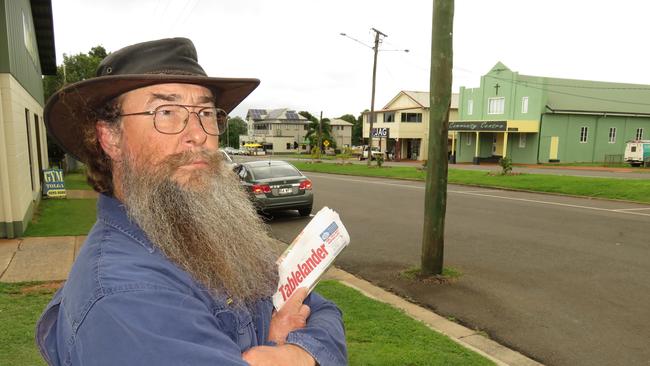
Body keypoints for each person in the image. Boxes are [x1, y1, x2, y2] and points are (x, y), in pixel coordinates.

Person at [36, 38, 347, 366]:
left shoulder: (211, 235)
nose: (198, 133)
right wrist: (295, 353)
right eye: (166, 111)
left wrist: (293, 353)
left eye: (205, 112)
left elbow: (320, 308)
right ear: (110, 137)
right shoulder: (125, 298)